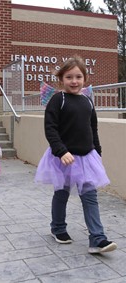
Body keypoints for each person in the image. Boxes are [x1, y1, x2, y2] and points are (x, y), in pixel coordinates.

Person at [35, 55, 117, 254]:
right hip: (63, 158)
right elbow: (51, 128)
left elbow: (93, 128)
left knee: (90, 197)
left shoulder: (87, 101)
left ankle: (97, 239)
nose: (74, 81)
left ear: (85, 79)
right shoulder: (58, 99)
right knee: (61, 194)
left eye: (78, 77)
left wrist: (97, 152)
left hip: (86, 158)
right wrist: (61, 151)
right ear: (61, 79)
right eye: (69, 77)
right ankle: (58, 228)